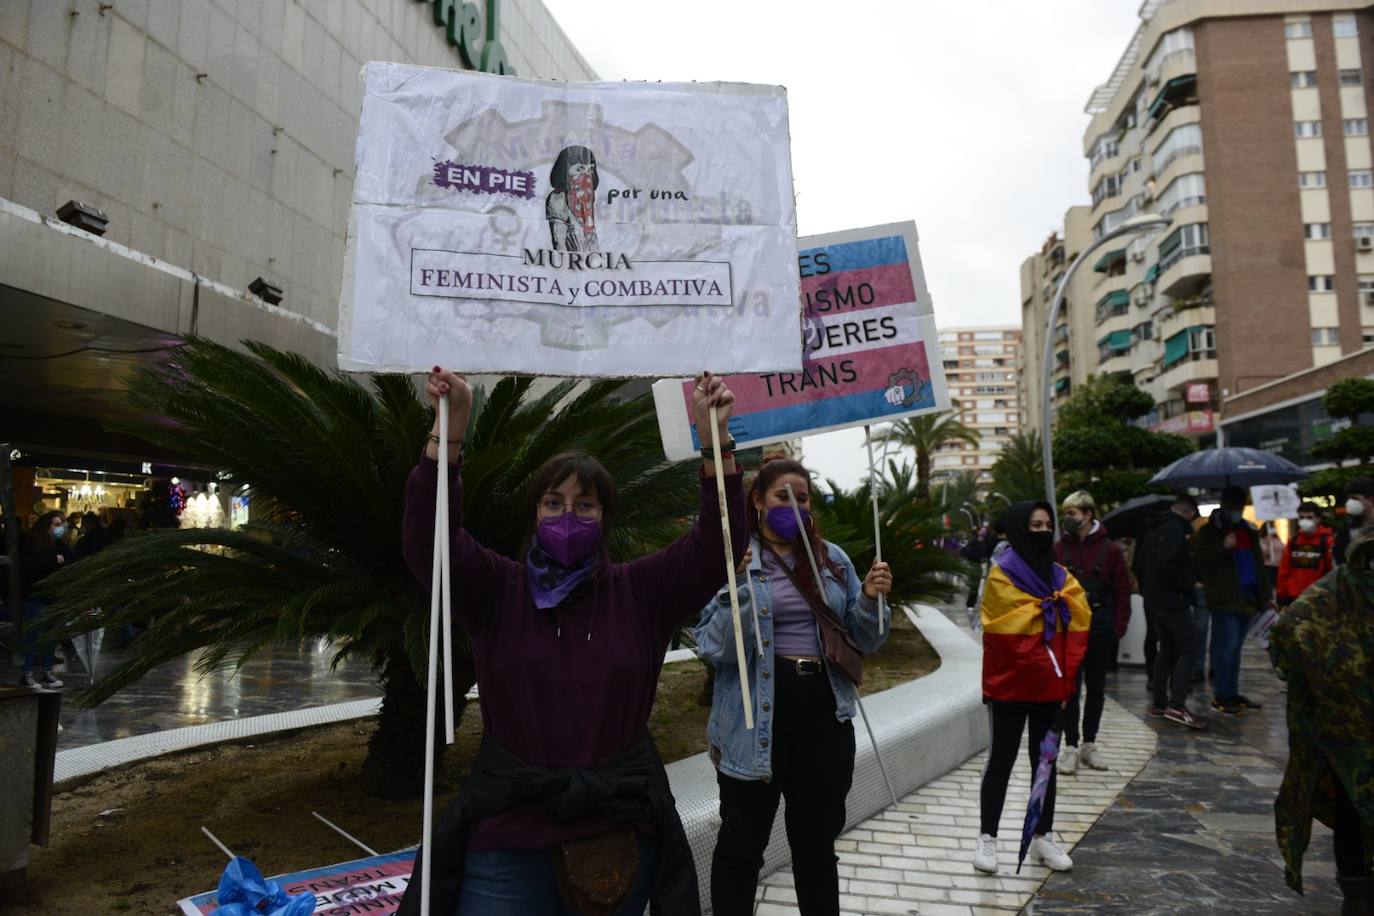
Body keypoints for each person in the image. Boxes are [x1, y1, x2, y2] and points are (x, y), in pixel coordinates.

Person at [396, 368, 746, 916]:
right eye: (553, 503)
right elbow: (429, 540)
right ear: (535, 514)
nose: (567, 515)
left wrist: (715, 440)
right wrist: (449, 433)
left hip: (614, 838)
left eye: (585, 505)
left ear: (604, 519)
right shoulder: (496, 589)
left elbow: (716, 544)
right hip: (508, 836)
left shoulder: (643, 592)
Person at [695, 456, 892, 916]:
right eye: (783, 496)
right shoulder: (734, 558)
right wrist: (736, 585)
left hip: (824, 714)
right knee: (741, 847)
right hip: (755, 719)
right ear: (758, 502)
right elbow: (713, 646)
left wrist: (869, 598)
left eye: (802, 498)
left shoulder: (833, 560)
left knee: (816, 846)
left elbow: (865, 639)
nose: (794, 506)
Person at [974, 500, 1090, 875]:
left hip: (1050, 685)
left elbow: (1079, 610)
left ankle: (1042, 834)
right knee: (1001, 761)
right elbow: (998, 622)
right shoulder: (1001, 574)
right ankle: (987, 836)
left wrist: (1058, 605)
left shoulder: (1059, 576)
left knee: (1045, 762)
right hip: (1009, 685)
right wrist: (1044, 609)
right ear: (1018, 529)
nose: (1041, 531)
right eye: (1034, 525)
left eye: (1046, 525)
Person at [1269, 529, 1374, 913]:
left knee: (1353, 809)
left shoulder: (1339, 587)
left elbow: (1287, 634)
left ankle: (1358, 897)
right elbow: (1288, 633)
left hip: (1345, 733)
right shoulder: (1339, 589)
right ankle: (1359, 896)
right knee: (1352, 809)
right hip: (1349, 732)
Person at [1053, 491, 1131, 775]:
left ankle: (1090, 744)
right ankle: (1070, 746)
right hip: (1069, 629)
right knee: (1070, 689)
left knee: (1097, 689)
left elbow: (1123, 590)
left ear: (1088, 515)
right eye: (1066, 513)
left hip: (1101, 627)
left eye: (1072, 513)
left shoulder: (1110, 550)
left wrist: (1118, 627)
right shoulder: (1059, 549)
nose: (1067, 518)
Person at [1193, 487, 1274, 717]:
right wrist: (1223, 547)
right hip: (1225, 598)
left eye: (1240, 507)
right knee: (1225, 647)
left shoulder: (1248, 531)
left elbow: (1259, 565)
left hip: (1248, 597)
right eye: (1234, 507)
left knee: (1236, 649)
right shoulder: (1210, 532)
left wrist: (1266, 596)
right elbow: (1199, 562)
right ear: (1225, 505)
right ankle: (1222, 694)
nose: (1237, 511)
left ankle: (1232, 691)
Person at [1139, 494, 1208, 729]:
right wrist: (1185, 588)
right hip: (1171, 601)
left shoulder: (1153, 528)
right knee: (1190, 649)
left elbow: (1139, 564)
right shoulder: (1174, 530)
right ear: (1188, 513)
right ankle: (1176, 705)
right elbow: (1167, 563)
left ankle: (1159, 702)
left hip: (1154, 599)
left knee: (1167, 648)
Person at [18, 511, 70, 689]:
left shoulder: (60, 545)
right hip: (35, 595)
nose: (60, 528)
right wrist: (52, 560)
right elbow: (27, 565)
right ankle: (27, 673)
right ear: (46, 526)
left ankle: (47, 672)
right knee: (33, 636)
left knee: (51, 635)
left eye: (61, 524)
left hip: (52, 596)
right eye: (56, 524)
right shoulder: (33, 542)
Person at [1276, 502, 1335, 608]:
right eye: (1301, 517)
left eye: (1309, 517)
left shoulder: (1327, 541)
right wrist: (1281, 594)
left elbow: (1332, 571)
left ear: (1318, 519)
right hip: (1293, 597)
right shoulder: (1294, 541)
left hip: (1318, 598)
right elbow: (1284, 569)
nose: (1305, 521)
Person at [1334, 476, 1374, 566]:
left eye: (1355, 498)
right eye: (1348, 499)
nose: (1350, 502)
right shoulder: (1346, 528)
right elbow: (1339, 557)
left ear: (1371, 499)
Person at [1260, 522, 1284, 592]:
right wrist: (1268, 545)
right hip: (1268, 567)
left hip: (1279, 567)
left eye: (1273, 527)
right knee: (1269, 587)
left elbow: (1283, 550)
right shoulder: (1262, 540)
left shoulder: (1277, 539)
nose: (1273, 529)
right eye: (1271, 527)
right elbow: (1263, 554)